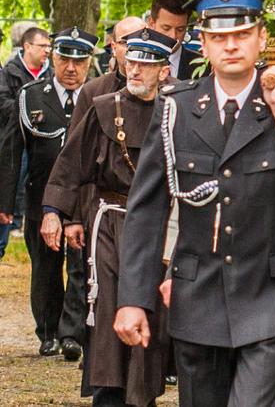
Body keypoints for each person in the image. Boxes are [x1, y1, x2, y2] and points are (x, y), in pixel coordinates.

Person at [115, 0, 275, 407]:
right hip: (198, 295)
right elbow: (147, 210)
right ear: (202, 42)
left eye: (241, 35)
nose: (230, 46)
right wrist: (133, 300)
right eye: (218, 37)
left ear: (261, 37)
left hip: (273, 294)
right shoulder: (176, 107)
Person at [42, 28, 180, 406]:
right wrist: (56, 212)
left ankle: (143, 395)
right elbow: (71, 164)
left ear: (164, 71)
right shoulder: (105, 108)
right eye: (132, 61)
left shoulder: (178, 110)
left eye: (146, 64)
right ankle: (108, 395)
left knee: (153, 312)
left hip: (161, 228)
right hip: (112, 224)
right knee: (107, 312)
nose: (135, 70)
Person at [0, 28, 97, 357]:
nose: (71, 68)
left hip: (84, 199)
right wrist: (3, 203)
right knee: (45, 266)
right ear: (53, 57)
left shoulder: (99, 97)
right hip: (41, 195)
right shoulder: (32, 95)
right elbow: (12, 150)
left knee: (81, 264)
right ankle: (49, 330)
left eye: (79, 61)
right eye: (65, 58)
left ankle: (73, 332)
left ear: (89, 63)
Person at [0, 27, 53, 259]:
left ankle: (37, 243)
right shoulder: (11, 71)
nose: (47, 51)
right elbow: (0, 102)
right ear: (27, 46)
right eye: (42, 46)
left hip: (43, 144)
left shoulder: (51, 74)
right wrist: (27, 109)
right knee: (7, 189)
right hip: (15, 142)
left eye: (49, 46)